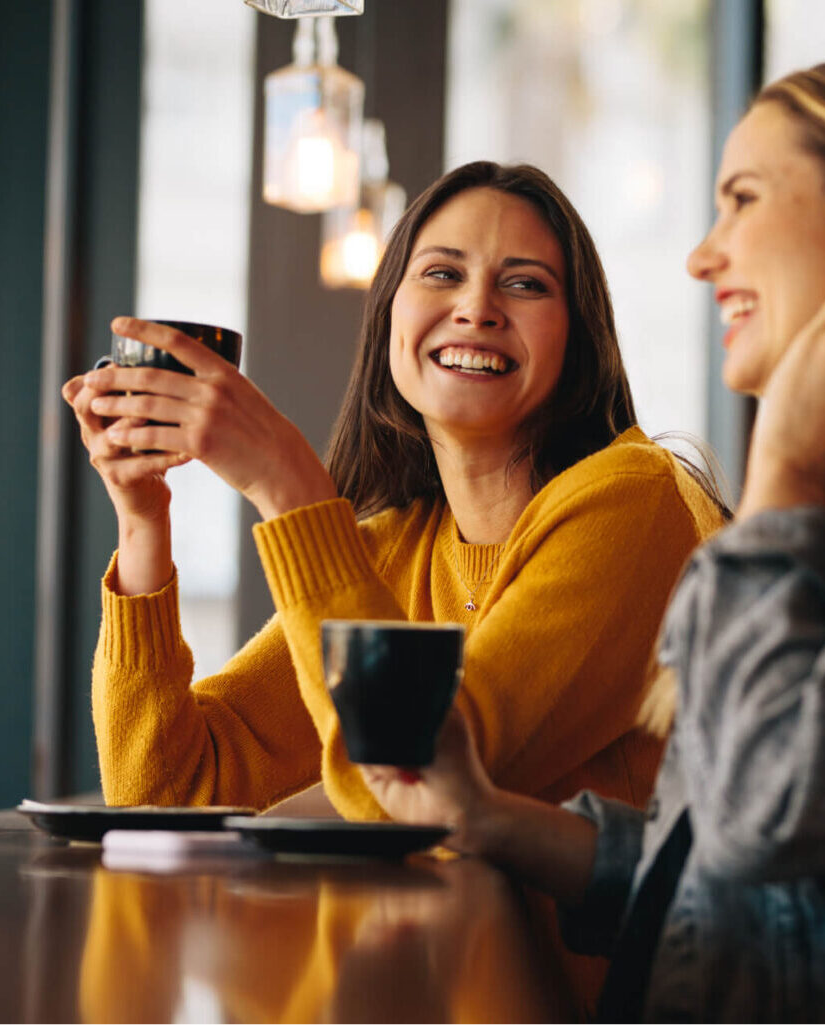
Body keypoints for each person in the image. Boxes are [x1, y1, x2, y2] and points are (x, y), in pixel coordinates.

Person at [362, 56, 825, 1021]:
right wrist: (490, 819)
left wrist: (782, 463)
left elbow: (763, 809)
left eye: (741, 200)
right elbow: (735, 886)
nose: (703, 256)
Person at [62, 161, 725, 822]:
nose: (475, 308)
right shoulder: (391, 551)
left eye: (524, 284)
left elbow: (421, 782)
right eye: (442, 274)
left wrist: (285, 482)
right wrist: (143, 519)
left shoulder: (633, 500)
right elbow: (166, 792)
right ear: (387, 319)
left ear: (577, 339)